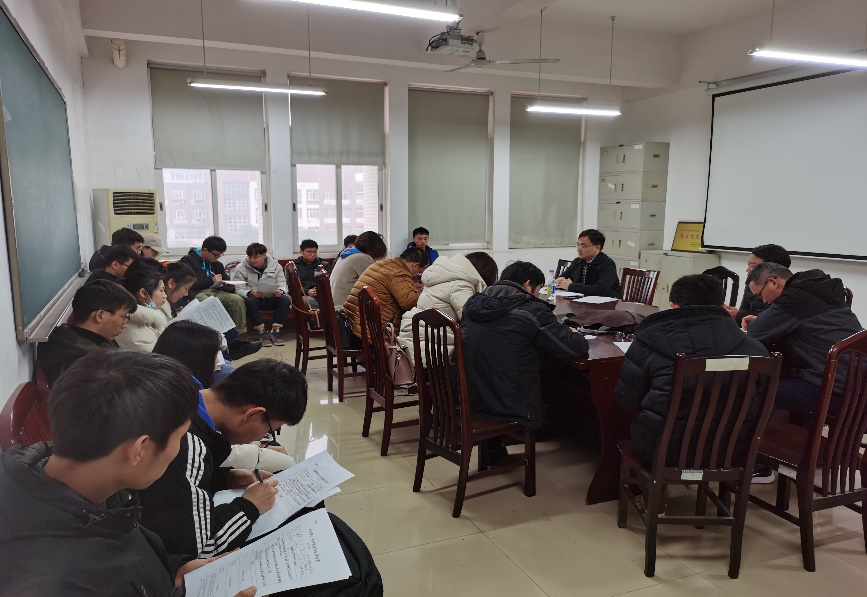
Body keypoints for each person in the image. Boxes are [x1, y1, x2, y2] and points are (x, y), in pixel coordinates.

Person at [0, 350, 258, 596]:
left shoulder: (82, 488)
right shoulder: (55, 583)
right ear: (140, 450)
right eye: (180, 438)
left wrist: (174, 571)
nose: (179, 449)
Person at [137, 358, 306, 558]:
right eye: (270, 430)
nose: (263, 437)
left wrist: (223, 478)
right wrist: (250, 507)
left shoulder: (180, 391)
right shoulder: (186, 441)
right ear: (252, 414)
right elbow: (201, 547)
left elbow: (174, 482)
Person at [615, 274, 769, 468]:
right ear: (723, 306)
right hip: (731, 452)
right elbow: (764, 407)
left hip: (663, 450)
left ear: (674, 306)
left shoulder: (649, 342)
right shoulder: (756, 349)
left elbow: (627, 401)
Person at [460, 261, 589, 438]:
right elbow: (573, 348)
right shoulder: (532, 311)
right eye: (539, 290)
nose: (538, 295)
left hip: (470, 399)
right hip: (511, 405)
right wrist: (573, 333)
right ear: (528, 285)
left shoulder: (473, 304)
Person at [154, 322, 295, 473]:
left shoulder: (182, 392)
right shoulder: (184, 431)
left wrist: (227, 479)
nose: (219, 361)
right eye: (214, 355)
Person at [744, 263, 863, 415]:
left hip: (835, 391)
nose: (764, 301)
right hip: (858, 384)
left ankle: (777, 429)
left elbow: (754, 332)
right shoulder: (820, 287)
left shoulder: (793, 299)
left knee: (752, 392)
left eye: (760, 295)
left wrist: (768, 320)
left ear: (773, 282)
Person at [398, 252, 498, 364]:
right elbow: (472, 321)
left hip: (415, 344)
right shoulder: (461, 285)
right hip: (432, 356)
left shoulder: (441, 276)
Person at [37, 280, 137, 385]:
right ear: (100, 316)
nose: (124, 325)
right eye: (124, 317)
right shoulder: (86, 365)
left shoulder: (69, 336)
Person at [161, 260, 261, 362]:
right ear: (171, 283)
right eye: (186, 288)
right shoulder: (190, 260)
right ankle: (229, 353)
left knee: (221, 310)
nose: (186, 293)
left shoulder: (217, 264)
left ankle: (232, 348)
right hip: (175, 347)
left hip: (213, 292)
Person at [342, 247, 428, 349]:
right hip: (369, 333)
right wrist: (424, 289)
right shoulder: (399, 273)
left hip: (352, 325)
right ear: (416, 265)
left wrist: (412, 288)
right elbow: (408, 303)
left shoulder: (382, 264)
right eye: (419, 271)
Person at [180, 236, 249, 334]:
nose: (217, 258)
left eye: (220, 255)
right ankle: (217, 336)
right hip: (195, 292)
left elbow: (224, 281)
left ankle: (239, 334)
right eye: (215, 255)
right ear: (205, 250)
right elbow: (186, 283)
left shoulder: (217, 264)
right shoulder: (188, 261)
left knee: (236, 300)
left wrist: (229, 288)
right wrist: (211, 281)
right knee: (210, 303)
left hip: (215, 291)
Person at [232, 242, 290, 347]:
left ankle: (275, 331)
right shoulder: (241, 268)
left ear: (264, 255)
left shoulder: (276, 266)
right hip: (254, 299)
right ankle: (262, 332)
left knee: (285, 300)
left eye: (256, 257)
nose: (252, 260)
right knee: (250, 301)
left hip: (272, 297)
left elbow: (283, 284)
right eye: (250, 257)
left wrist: (280, 291)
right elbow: (238, 288)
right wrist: (250, 293)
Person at [722, 243, 791, 325]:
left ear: (771, 267)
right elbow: (743, 313)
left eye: (753, 266)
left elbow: (776, 318)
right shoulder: (752, 284)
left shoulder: (790, 291)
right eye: (748, 265)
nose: (747, 270)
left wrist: (739, 315)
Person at [555, 229, 622, 298]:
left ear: (597, 248)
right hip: (582, 300)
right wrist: (559, 281)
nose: (579, 249)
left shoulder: (607, 264)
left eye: (583, 246)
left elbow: (600, 289)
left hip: (607, 302)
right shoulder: (578, 261)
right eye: (578, 244)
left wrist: (570, 286)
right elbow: (563, 278)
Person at [331, 230, 388, 309]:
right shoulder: (362, 258)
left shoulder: (346, 254)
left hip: (335, 305)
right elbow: (376, 285)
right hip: (344, 309)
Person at [116, 268, 169, 351]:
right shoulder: (137, 329)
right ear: (143, 293)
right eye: (161, 290)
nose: (165, 296)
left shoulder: (142, 320)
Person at [295, 239, 333, 311]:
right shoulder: (295, 267)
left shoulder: (324, 265)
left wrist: (319, 290)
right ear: (301, 252)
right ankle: (320, 317)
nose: (312, 254)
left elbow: (332, 281)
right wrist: (307, 291)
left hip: (324, 294)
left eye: (315, 252)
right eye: (309, 252)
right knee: (307, 301)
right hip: (305, 295)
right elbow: (292, 286)